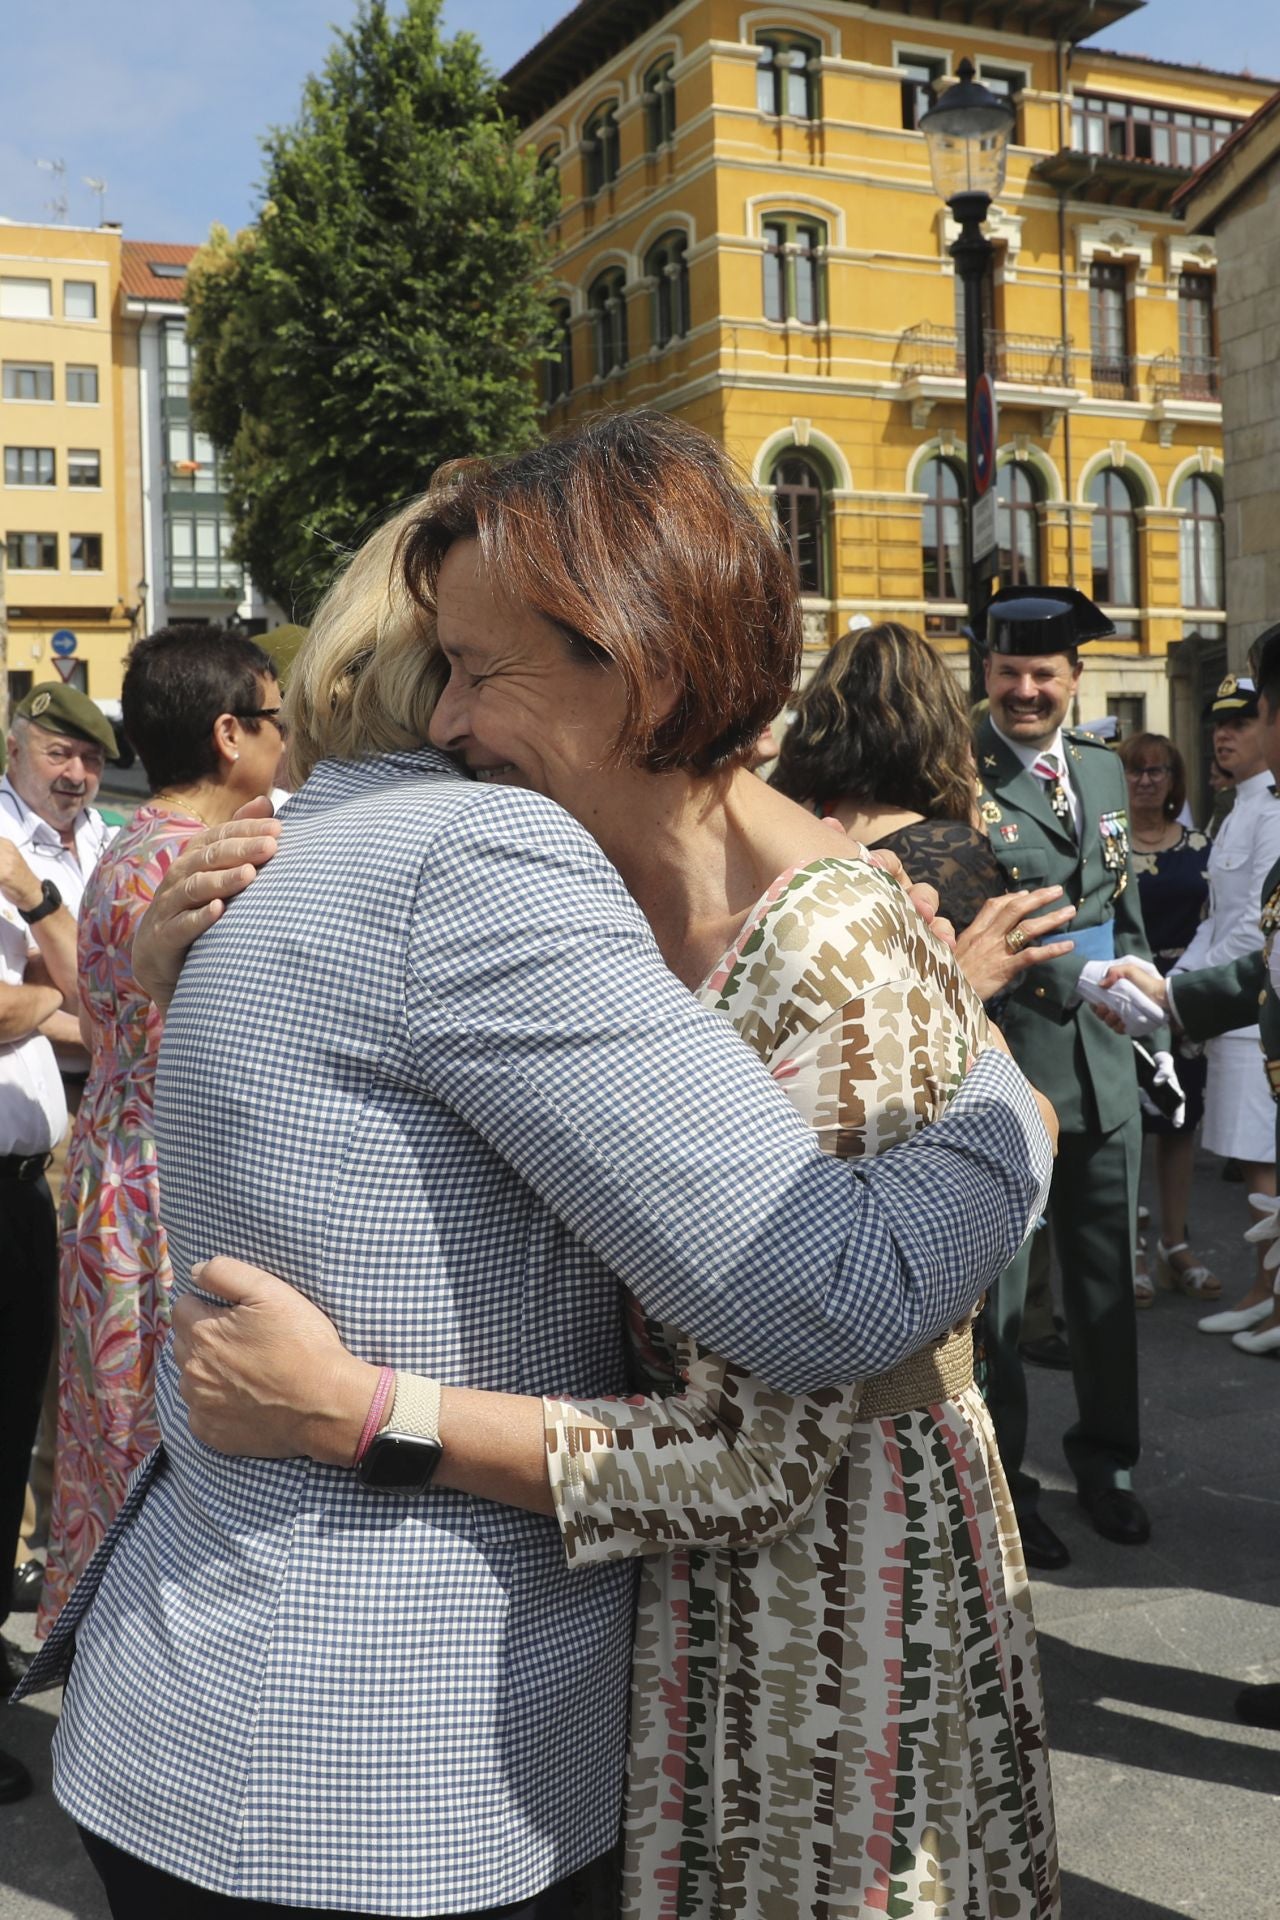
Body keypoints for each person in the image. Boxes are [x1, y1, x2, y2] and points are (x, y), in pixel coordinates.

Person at [18, 420, 1052, 1919]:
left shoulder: (326, 862)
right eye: (440, 663)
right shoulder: (470, 868)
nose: (449, 720)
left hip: (757, 1664)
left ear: (638, 662)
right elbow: (811, 1315)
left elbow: (815, 1329)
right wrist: (1015, 1111)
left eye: (483, 670)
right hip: (382, 1761)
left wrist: (984, 1074)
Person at [35, 628, 284, 1638]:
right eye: (277, 720)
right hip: (172, 1183)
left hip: (108, 1168)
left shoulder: (128, 846)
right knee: (164, 1447)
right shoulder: (205, 866)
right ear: (230, 734)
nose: (287, 740)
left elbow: (102, 1027)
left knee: (106, 1437)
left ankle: (84, 1664)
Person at [974, 585, 1166, 1572]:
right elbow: (963, 919)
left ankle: (1106, 1463)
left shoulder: (1096, 769)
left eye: (1042, 675)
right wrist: (1074, 975)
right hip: (1006, 1066)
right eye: (1007, 672)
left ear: (1072, 679)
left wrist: (1144, 996)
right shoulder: (953, 771)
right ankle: (1004, 1478)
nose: (1023, 690)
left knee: (1101, 1289)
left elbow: (1117, 899)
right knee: (1001, 1302)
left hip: (1101, 1063)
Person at [1, 684, 119, 1616]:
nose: (76, 774)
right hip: (33, 1148)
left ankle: (43, 1568)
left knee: (71, 1367)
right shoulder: (8, 851)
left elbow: (129, 1007)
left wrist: (63, 996)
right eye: (57, 756)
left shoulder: (108, 844)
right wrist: (72, 999)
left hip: (93, 1132)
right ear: (15, 752)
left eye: (89, 759)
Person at [0, 786, 85, 1799]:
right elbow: (78, 1001)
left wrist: (39, 906)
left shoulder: (27, 862)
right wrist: (56, 1004)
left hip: (23, 1194)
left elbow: (96, 992)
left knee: (11, 1435)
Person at [772, 619, 1008, 934]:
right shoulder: (954, 850)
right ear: (937, 726)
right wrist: (971, 815)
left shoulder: (785, 815)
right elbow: (990, 969)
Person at [1167, 675, 1280, 1319]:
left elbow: (1250, 929)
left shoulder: (1270, 808)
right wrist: (1176, 986)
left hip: (1250, 1010)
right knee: (1252, 1156)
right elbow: (1215, 916)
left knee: (1259, 1160)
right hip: (1227, 1000)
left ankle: (1269, 1293)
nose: (1225, 736)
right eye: (1218, 725)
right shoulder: (1239, 805)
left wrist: (1184, 995)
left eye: (1240, 723)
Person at [1117, 733, 1215, 1304]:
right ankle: (1130, 1248)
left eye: (1159, 771)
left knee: (1181, 1127)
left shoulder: (1202, 846)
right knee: (1129, 1126)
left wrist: (1184, 995)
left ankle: (1174, 1246)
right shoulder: (1106, 847)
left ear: (1174, 782)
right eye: (1135, 771)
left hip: (1183, 999)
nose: (1148, 780)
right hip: (1123, 1002)